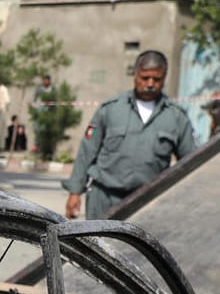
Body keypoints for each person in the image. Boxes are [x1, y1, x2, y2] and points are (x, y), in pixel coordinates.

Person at [64, 50, 196, 220]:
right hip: (105, 198)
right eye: (145, 77)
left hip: (148, 202)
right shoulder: (110, 109)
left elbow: (190, 162)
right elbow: (87, 151)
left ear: (164, 78)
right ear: (135, 74)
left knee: (138, 248)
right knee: (96, 245)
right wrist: (75, 192)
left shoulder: (176, 117)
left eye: (156, 79)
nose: (150, 83)